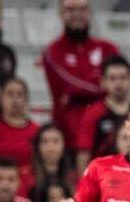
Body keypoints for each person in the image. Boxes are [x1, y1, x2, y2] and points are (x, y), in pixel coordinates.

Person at [42, 0, 119, 149]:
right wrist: (102, 87)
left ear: (90, 12)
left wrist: (79, 95)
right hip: (69, 138)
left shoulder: (108, 49)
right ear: (60, 13)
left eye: (82, 9)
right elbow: (70, 85)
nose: (77, 15)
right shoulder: (52, 52)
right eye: (70, 10)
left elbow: (119, 83)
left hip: (107, 135)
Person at [76, 55, 130, 174]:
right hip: (103, 181)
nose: (118, 83)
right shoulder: (93, 114)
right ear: (103, 81)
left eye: (123, 78)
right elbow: (83, 156)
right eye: (112, 78)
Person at [31, 124, 76, 200]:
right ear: (37, 147)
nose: (50, 147)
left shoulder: (73, 177)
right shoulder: (26, 176)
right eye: (45, 142)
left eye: (55, 141)